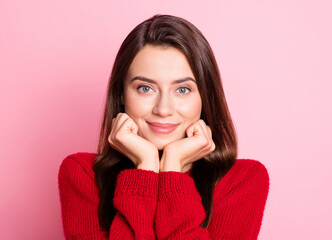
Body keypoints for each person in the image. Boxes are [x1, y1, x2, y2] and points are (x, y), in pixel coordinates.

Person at [58, 14, 269, 239]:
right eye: (146, 88)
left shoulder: (242, 180)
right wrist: (146, 165)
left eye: (182, 89)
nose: (163, 109)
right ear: (121, 93)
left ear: (204, 97)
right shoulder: (83, 175)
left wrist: (173, 168)